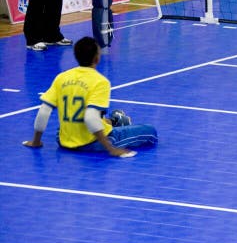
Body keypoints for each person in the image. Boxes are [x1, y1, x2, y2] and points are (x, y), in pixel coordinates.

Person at [22, 37, 158, 157]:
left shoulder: (61, 77)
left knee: (78, 122)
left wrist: (36, 141)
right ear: (97, 58)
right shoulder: (100, 81)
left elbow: (44, 111)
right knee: (150, 131)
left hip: (64, 141)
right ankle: (117, 123)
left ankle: (113, 121)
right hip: (92, 143)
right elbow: (91, 118)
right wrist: (111, 149)